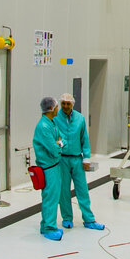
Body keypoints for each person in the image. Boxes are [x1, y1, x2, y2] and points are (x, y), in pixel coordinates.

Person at [55, 93, 103, 231]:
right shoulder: (56, 119)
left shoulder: (80, 119)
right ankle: (67, 218)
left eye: (68, 104)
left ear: (72, 104)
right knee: (64, 190)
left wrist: (86, 158)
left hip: (77, 159)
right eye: (63, 103)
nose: (65, 106)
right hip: (62, 159)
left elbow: (84, 139)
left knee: (82, 189)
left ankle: (89, 219)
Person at [33, 97, 67, 242]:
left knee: (53, 197)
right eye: (57, 107)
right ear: (52, 109)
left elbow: (61, 138)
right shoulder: (43, 127)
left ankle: (46, 224)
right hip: (48, 168)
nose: (58, 109)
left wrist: (59, 143)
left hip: (54, 166)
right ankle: (49, 228)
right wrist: (59, 145)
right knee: (50, 199)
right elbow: (54, 148)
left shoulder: (51, 123)